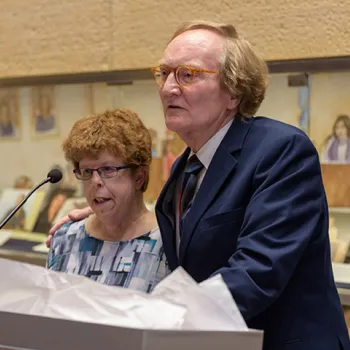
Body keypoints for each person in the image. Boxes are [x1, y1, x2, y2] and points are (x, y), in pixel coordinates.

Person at [47, 20, 350, 350]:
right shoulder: (185, 166)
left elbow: (257, 271)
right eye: (164, 73)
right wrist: (101, 215)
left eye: (187, 75)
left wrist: (154, 317)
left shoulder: (280, 150)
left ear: (233, 91)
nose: (168, 88)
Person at [47, 109, 169, 292]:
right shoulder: (65, 239)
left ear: (139, 177)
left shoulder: (169, 242)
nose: (95, 181)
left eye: (108, 169)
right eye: (87, 171)